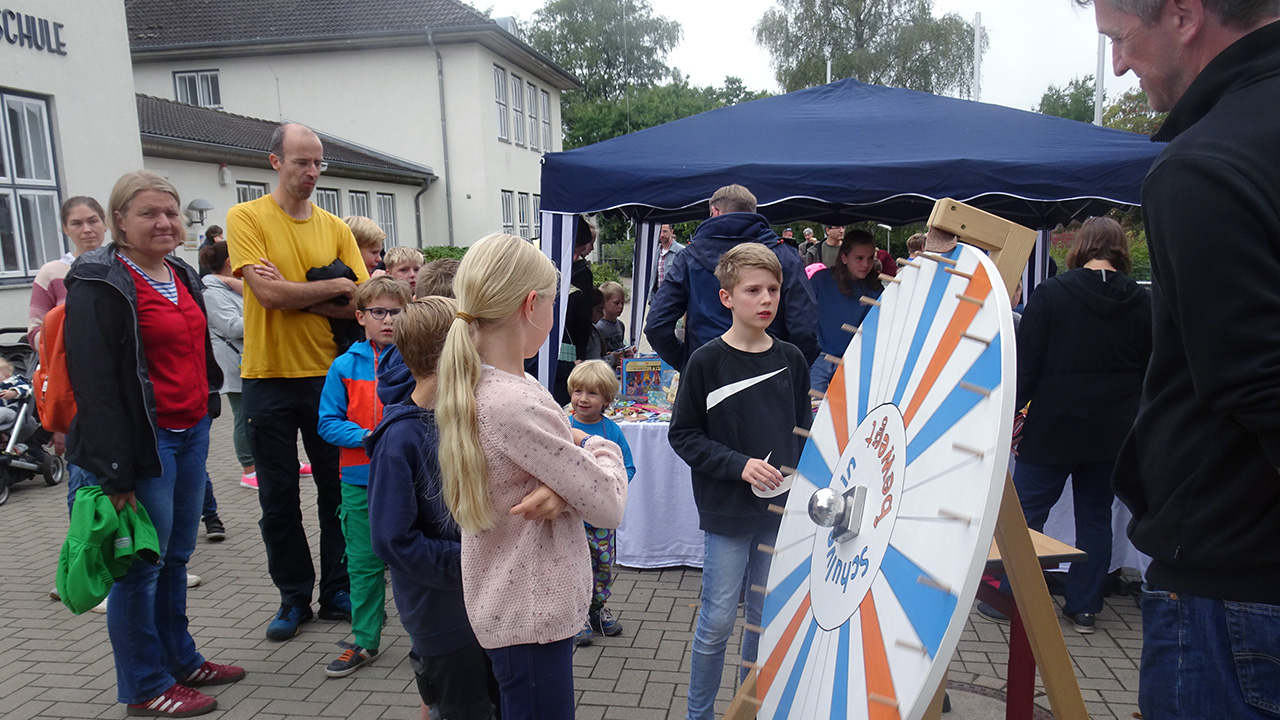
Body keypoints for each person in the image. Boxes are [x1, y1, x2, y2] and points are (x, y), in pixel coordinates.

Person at [1078, 1, 1280, 716]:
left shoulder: (1205, 164)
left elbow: (1258, 381)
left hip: (1234, 587)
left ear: (1185, 15)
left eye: (1120, 39)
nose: (1120, 65)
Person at [64, 170, 241, 717]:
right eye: (148, 213)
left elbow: (194, 346)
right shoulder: (99, 281)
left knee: (175, 556)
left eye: (171, 212)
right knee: (141, 566)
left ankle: (180, 659)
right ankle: (144, 686)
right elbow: (94, 382)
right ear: (119, 221)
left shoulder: (179, 273)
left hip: (189, 434)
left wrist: (207, 397)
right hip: (144, 444)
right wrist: (115, 472)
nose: (165, 222)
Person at [436, 233, 628, 719]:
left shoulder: (497, 383)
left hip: (515, 605)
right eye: (554, 301)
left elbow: (546, 475)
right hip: (531, 612)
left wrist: (563, 490)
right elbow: (608, 503)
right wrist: (594, 445)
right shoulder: (513, 401)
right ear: (530, 305)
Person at [226, 122, 370, 642]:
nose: (310, 172)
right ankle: (293, 596)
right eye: (300, 162)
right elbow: (267, 298)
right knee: (278, 499)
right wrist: (329, 285)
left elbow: (360, 300)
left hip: (327, 377)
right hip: (266, 377)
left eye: (317, 164)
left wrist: (304, 287)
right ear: (275, 162)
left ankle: (337, 589)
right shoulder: (246, 217)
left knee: (338, 490)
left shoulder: (335, 227)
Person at [668, 242, 812, 720]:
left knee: (765, 620)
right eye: (753, 290)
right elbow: (683, 435)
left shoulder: (791, 358)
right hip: (727, 513)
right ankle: (699, 714)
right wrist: (739, 464)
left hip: (779, 513)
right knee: (717, 621)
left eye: (773, 289)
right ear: (727, 297)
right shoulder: (706, 361)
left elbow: (801, 434)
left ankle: (755, 707)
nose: (766, 299)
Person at [1006, 217, 1151, 633]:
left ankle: (1013, 599)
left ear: (1081, 247)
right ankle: (1085, 605)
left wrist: (1009, 412)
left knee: (1027, 515)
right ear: (1120, 249)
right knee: (1095, 516)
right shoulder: (1141, 302)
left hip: (1053, 425)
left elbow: (1026, 366)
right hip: (1113, 431)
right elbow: (1150, 367)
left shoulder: (1052, 294)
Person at [368, 296, 501, 720]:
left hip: (482, 604)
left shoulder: (459, 419)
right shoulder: (400, 439)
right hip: (442, 618)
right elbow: (393, 540)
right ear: (453, 354)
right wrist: (471, 561)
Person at [317, 276, 412, 677]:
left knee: (414, 558)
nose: (387, 320)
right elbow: (327, 422)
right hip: (359, 479)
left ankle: (432, 639)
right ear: (361, 317)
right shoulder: (344, 365)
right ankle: (364, 640)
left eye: (396, 311)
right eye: (379, 312)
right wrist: (368, 437)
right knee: (362, 563)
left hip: (410, 479)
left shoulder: (420, 359)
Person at [645, 183, 818, 372]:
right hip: (769, 374)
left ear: (714, 211)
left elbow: (656, 326)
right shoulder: (785, 255)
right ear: (753, 212)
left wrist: (690, 364)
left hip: (709, 375)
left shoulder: (688, 257)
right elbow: (805, 329)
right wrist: (789, 371)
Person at [566, 360, 636, 647]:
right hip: (570, 517)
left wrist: (613, 488)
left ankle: (597, 609)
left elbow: (627, 467)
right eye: (578, 391)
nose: (583, 399)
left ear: (607, 399)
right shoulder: (562, 425)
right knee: (574, 566)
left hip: (601, 519)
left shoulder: (612, 430)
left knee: (603, 567)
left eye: (592, 393)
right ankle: (576, 615)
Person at [199, 241, 255, 491]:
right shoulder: (211, 291)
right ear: (231, 261)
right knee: (244, 417)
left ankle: (268, 462)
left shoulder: (230, 286)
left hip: (252, 360)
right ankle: (249, 470)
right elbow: (232, 326)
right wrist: (262, 315)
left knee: (260, 415)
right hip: (234, 363)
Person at [808, 230, 884, 392]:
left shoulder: (876, 290)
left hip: (853, 362)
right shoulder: (821, 280)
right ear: (844, 258)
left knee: (845, 415)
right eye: (859, 258)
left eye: (870, 258)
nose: (866, 264)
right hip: (819, 358)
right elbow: (802, 317)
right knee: (814, 413)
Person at [29, 196, 107, 348]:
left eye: (93, 221)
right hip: (72, 366)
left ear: (105, 224)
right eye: (76, 223)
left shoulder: (124, 267)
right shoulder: (51, 273)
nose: (87, 229)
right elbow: (35, 333)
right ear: (65, 229)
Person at [595, 281, 628, 367]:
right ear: (604, 303)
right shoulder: (598, 327)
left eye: (623, 303)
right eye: (616, 303)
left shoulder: (620, 325)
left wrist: (626, 352)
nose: (620, 307)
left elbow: (620, 346)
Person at [0, 357, 32, 438]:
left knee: (3, 411)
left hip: (10, 410)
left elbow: (26, 388)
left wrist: (13, 392)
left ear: (6, 376)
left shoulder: (12, 381)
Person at [651, 223, 684, 292]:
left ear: (671, 232)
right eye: (660, 231)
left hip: (673, 298)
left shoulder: (681, 251)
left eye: (665, 231)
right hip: (658, 297)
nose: (662, 235)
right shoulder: (655, 251)